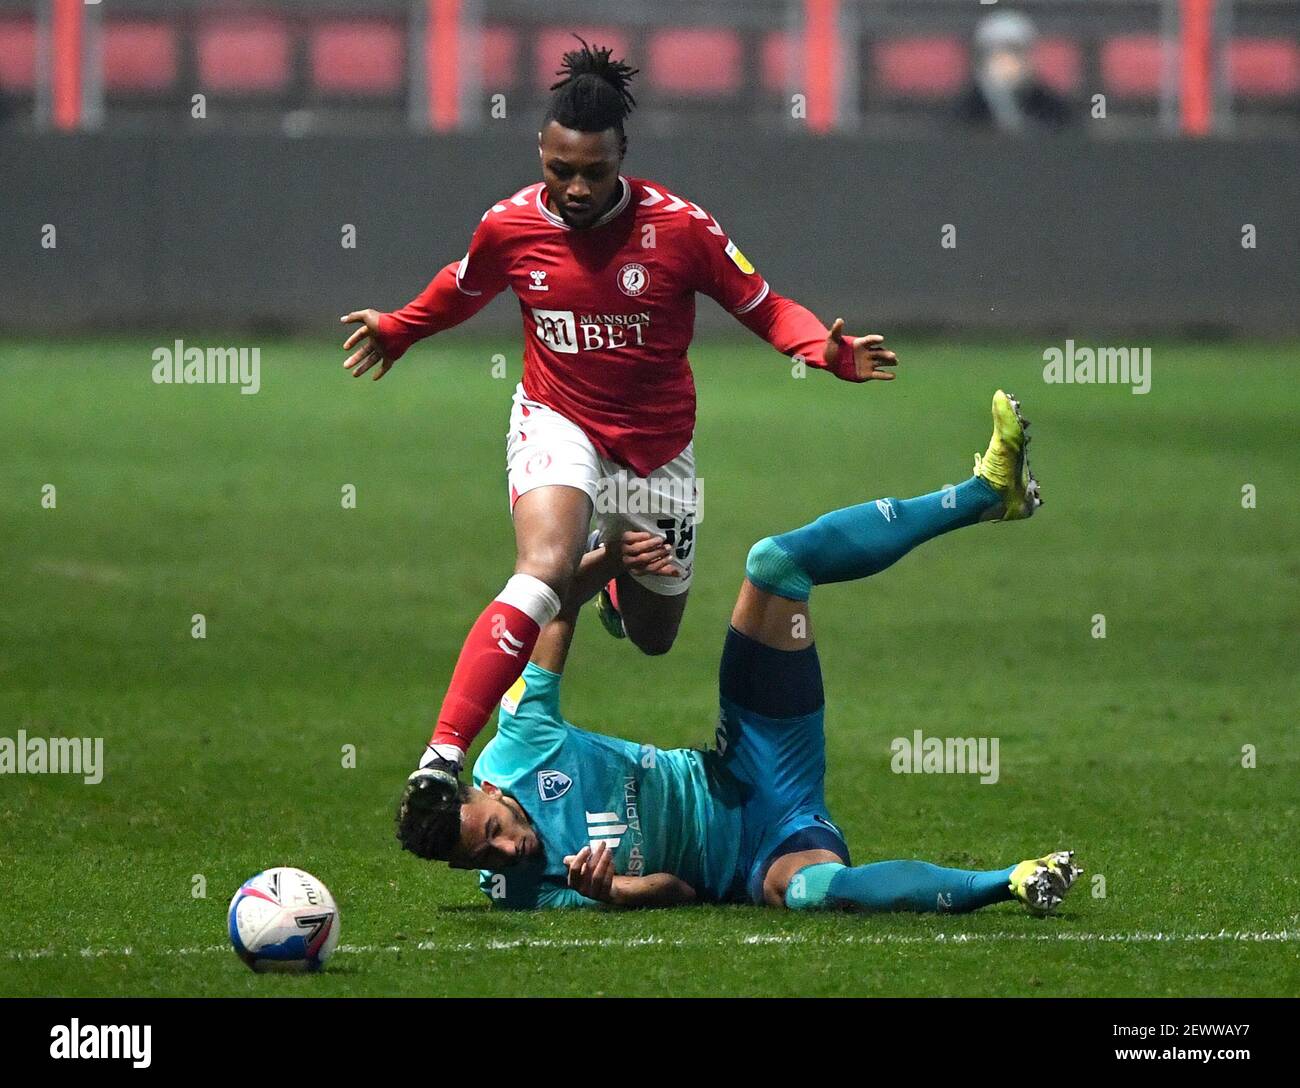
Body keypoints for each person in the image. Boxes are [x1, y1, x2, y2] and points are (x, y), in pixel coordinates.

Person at [340, 37, 898, 793]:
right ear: (540, 150)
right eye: (559, 169)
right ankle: (440, 759)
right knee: (539, 571)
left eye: (594, 172)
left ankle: (605, 572)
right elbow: (462, 286)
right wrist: (400, 329)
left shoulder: (681, 229)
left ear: (622, 157)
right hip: (556, 418)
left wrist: (827, 352)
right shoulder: (509, 227)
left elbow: (763, 306)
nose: (574, 187)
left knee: (653, 636)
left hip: (656, 452)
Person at [397, 391, 1081, 917]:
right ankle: (1014, 880)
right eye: (484, 859)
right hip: (757, 857)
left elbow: (553, 608)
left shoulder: (516, 746)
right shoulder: (521, 891)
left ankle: (989, 493)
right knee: (812, 891)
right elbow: (682, 890)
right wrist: (617, 892)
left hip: (748, 760)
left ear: (483, 790)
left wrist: (607, 560)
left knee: (775, 563)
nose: (508, 850)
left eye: (491, 830)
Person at [954, 11, 1073, 134]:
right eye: (995, 53)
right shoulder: (964, 111)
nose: (1004, 61)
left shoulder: (1054, 108)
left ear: (1030, 57)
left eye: (1013, 52)